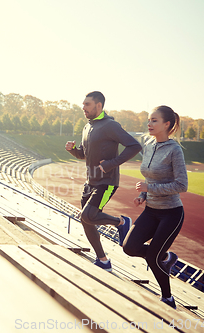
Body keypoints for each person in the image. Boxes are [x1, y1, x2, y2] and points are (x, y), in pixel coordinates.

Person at [65, 91, 142, 272]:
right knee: (86, 220)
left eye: (87, 104)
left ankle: (122, 222)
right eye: (83, 104)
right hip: (90, 182)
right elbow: (84, 154)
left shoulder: (110, 125)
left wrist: (111, 164)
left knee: (88, 215)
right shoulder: (87, 127)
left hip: (106, 182)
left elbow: (134, 146)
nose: (83, 107)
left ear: (99, 106)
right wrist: (73, 150)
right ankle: (103, 260)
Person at [123, 106, 187, 309]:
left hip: (171, 214)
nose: (149, 124)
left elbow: (181, 185)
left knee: (152, 257)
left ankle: (168, 298)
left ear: (167, 124)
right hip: (151, 210)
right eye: (149, 120)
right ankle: (166, 258)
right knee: (129, 247)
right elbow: (149, 176)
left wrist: (149, 188)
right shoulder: (149, 146)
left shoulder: (174, 150)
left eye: (154, 120)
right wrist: (143, 194)